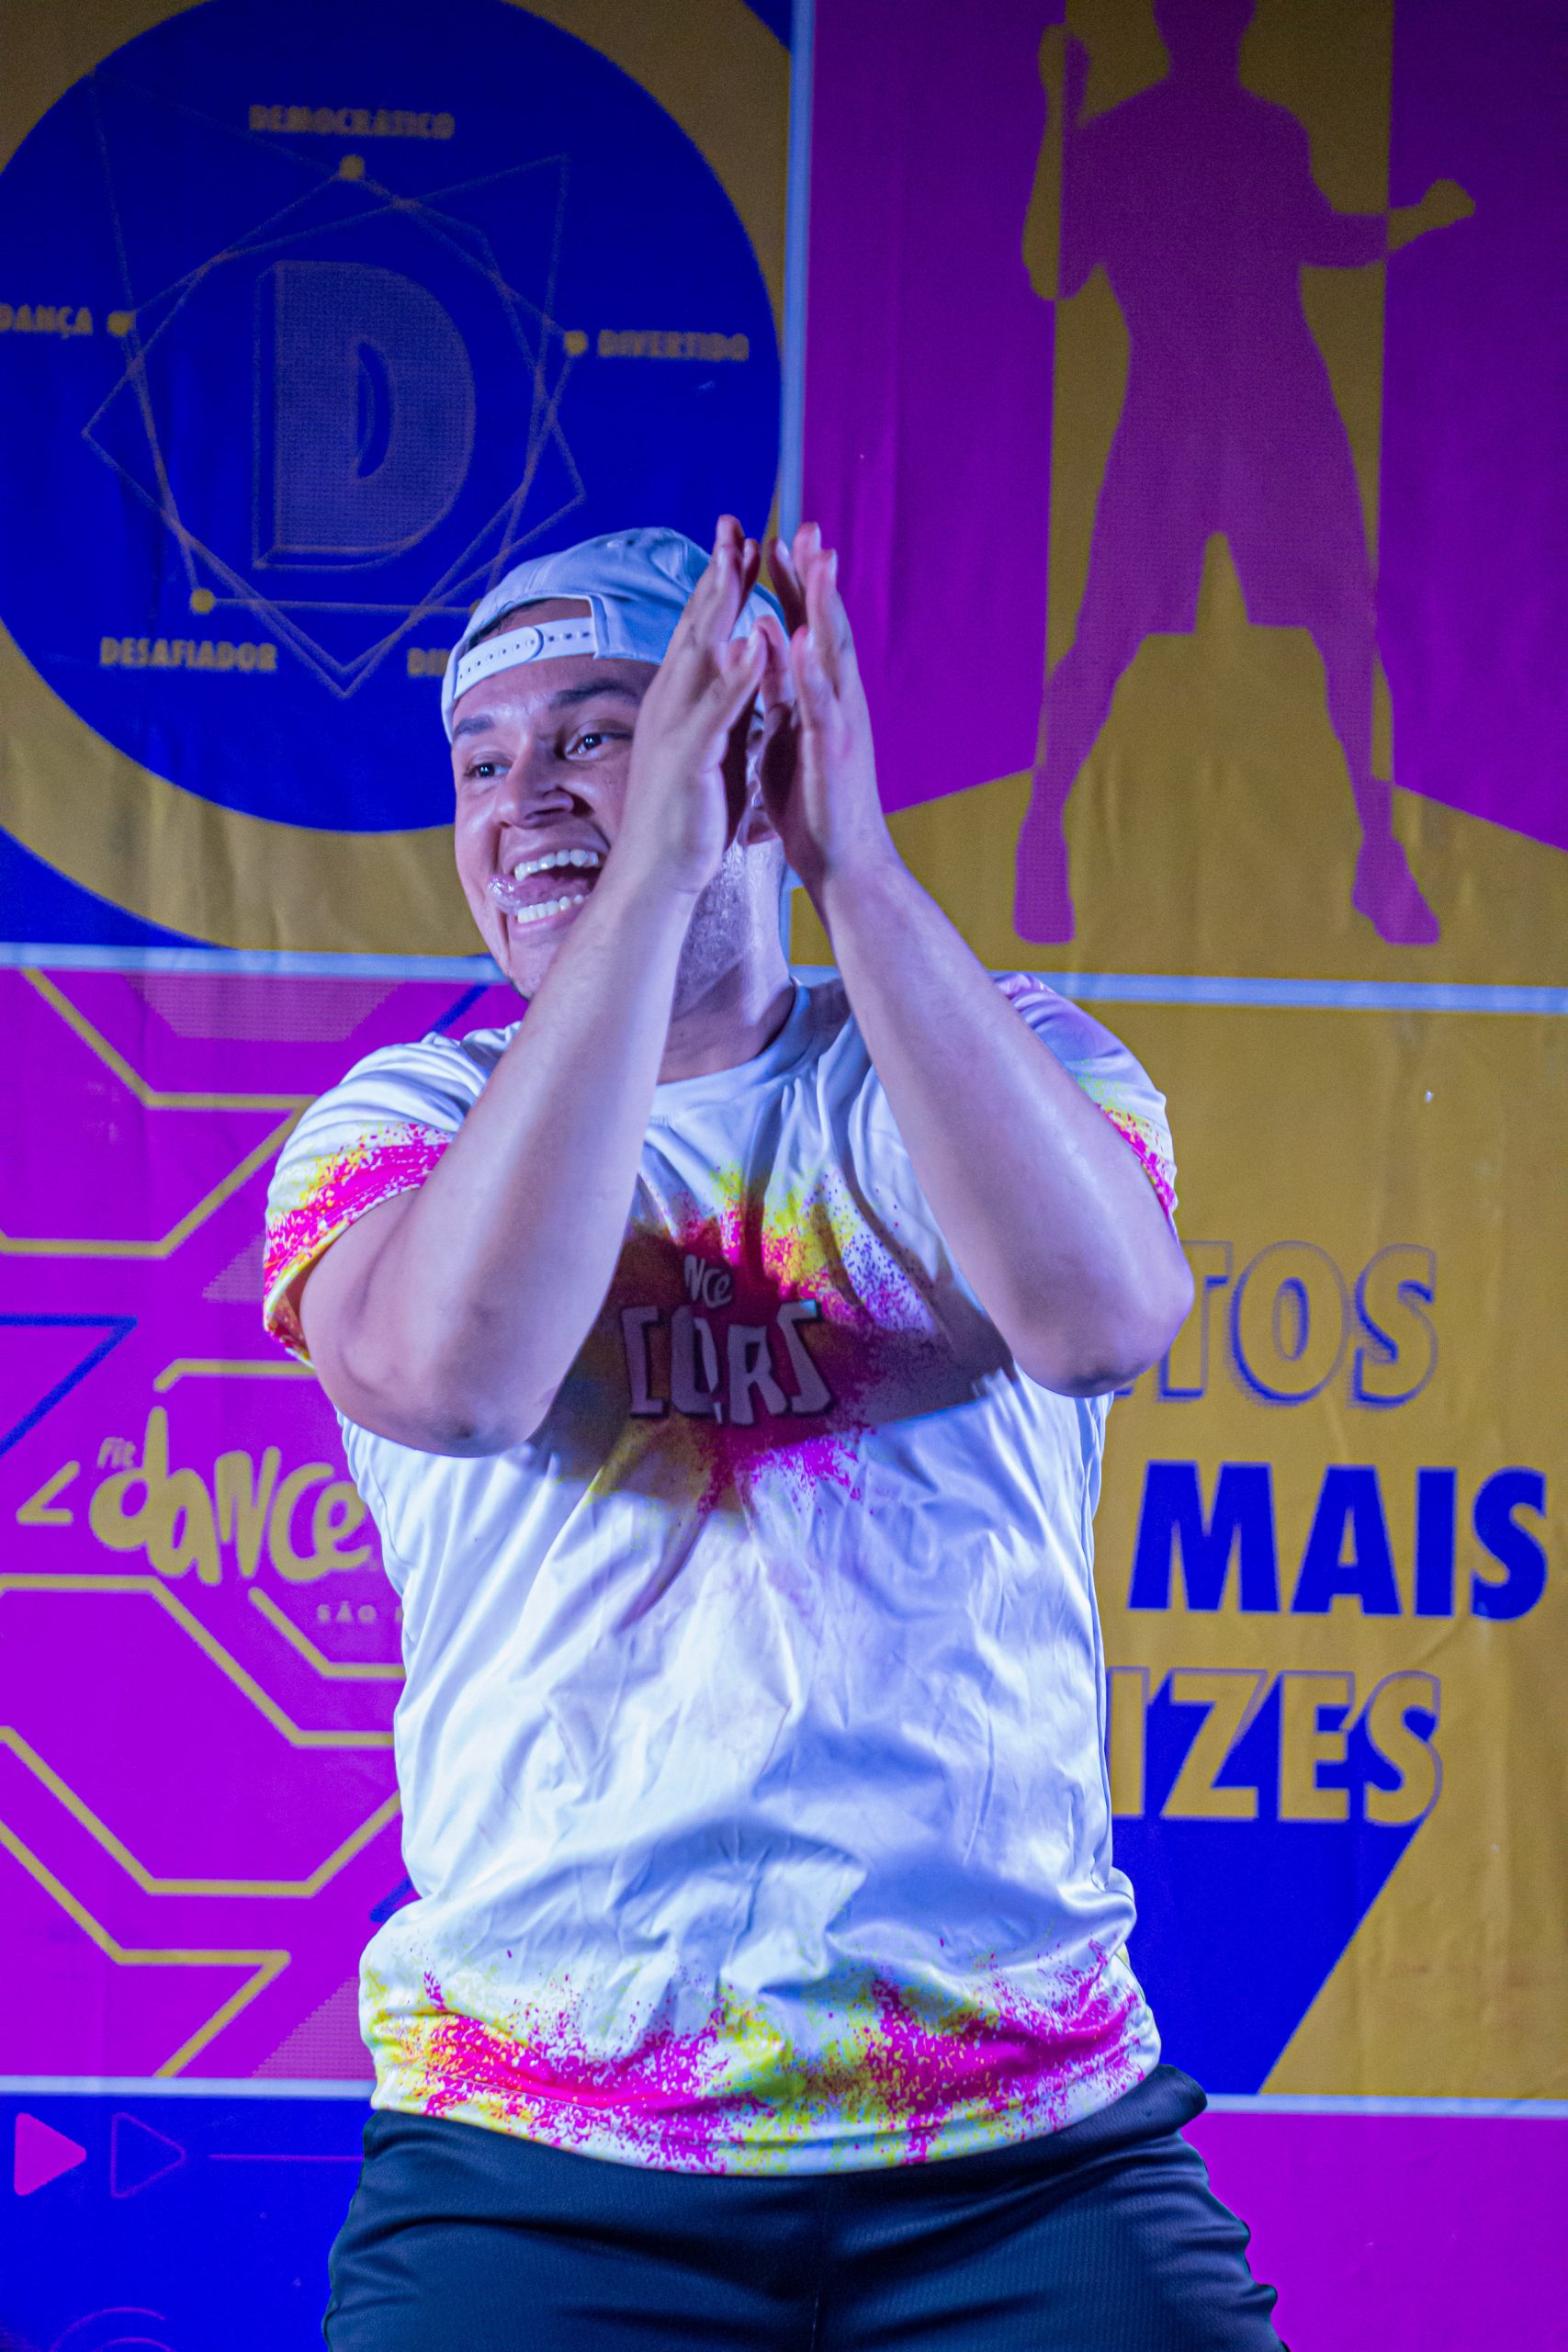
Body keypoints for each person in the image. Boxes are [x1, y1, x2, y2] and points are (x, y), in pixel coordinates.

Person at [265, 517, 1282, 2347]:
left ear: (752, 746)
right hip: (538, 2153)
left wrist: (854, 865)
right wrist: (650, 878)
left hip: (1018, 2142)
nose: (523, 797)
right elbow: (458, 1376)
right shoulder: (404, 1123)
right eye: (481, 762)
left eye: (596, 732)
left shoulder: (979, 1054)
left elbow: (1097, 1321)